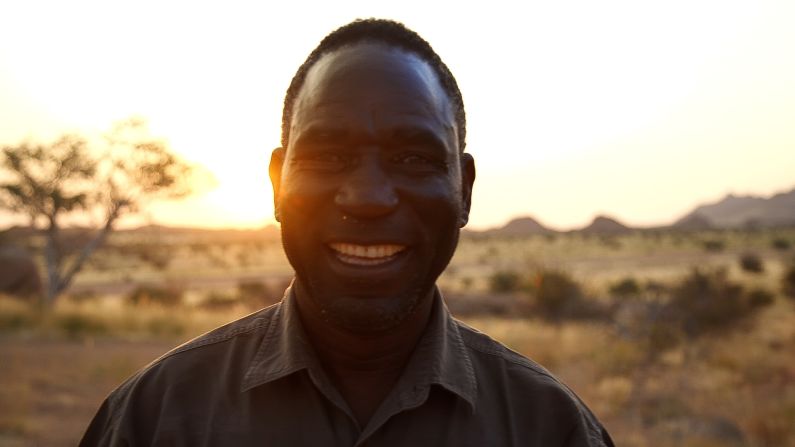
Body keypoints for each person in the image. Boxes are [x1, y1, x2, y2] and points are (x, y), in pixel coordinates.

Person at [81, 19, 614, 446]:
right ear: (276, 184)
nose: (367, 198)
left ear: (464, 191)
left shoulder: (551, 428)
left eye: (412, 157)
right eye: (328, 156)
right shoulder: (154, 419)